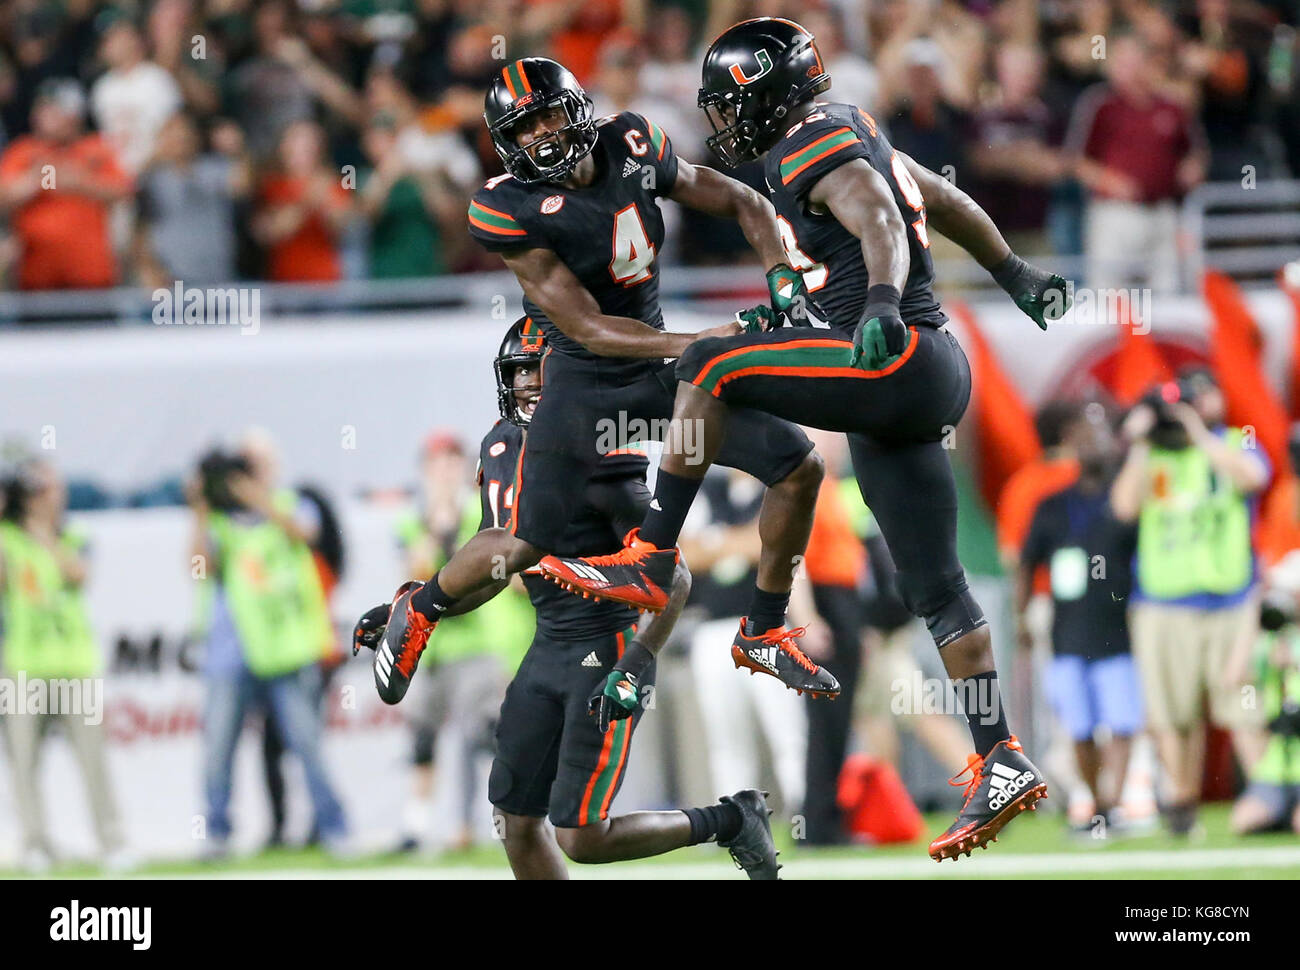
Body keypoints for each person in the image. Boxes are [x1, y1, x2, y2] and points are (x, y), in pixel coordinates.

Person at [544, 18, 1069, 861]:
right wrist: (1013, 272)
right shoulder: (853, 124)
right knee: (935, 587)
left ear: (769, 95)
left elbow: (883, 224)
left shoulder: (805, 143)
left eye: (731, 103)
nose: (724, 121)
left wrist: (884, 304)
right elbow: (938, 196)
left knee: (710, 357)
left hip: (891, 353)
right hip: (919, 376)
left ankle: (655, 554)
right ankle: (999, 752)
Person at [358, 56, 832, 708]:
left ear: (578, 107)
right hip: (581, 386)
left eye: (549, 115)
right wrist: (698, 343)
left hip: (660, 371)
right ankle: (420, 609)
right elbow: (589, 330)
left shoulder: (632, 142)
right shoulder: (509, 208)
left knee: (798, 467)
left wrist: (783, 273)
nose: (542, 136)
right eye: (523, 130)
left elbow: (744, 200)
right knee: (524, 542)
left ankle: (765, 628)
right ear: (505, 145)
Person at [358, 320, 781, 879]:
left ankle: (730, 820)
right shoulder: (501, 443)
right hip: (549, 642)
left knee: (582, 836)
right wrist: (412, 613)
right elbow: (491, 570)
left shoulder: (599, 448)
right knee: (514, 819)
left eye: (539, 369)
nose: (530, 383)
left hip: (609, 643)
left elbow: (673, 576)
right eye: (520, 372)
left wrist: (638, 661)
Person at [1111, 369, 1270, 835]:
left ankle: (1267, 797)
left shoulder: (1236, 441)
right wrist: (1140, 442)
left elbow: (1253, 477)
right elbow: (1124, 507)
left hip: (1230, 600)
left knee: (1245, 708)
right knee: (1172, 714)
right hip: (1164, 603)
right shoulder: (1152, 454)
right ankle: (1181, 804)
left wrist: (1198, 433)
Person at [189, 429, 349, 858]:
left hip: (285, 646)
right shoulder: (220, 521)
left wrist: (255, 496)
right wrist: (201, 509)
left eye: (255, 465)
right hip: (230, 649)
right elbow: (199, 568)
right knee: (218, 747)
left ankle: (335, 828)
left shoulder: (290, 505)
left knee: (306, 744)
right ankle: (217, 833)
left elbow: (307, 535)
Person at [392, 431, 531, 851]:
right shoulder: (415, 519)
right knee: (423, 735)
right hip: (434, 645)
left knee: (482, 734)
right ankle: (417, 826)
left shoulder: (482, 509)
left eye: (452, 462)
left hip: (483, 641)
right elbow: (415, 572)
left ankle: (488, 823)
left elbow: (498, 566)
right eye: (437, 464)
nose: (445, 473)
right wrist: (437, 522)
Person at [1015, 403, 1142, 833]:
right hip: (1067, 630)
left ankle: (1114, 802)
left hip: (1119, 627)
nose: (1093, 446)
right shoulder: (1052, 505)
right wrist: (1021, 618)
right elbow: (1025, 562)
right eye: (1084, 438)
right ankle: (1099, 801)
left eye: (1101, 436)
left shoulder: (1124, 498)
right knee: (1080, 725)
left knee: (1122, 721)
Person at [0, 457, 130, 873]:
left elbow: (76, 573)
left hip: (74, 664)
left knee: (94, 762)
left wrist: (39, 530)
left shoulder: (74, 534)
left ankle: (112, 842)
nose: (48, 495)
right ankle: (36, 843)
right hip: (24, 666)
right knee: (24, 763)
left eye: (51, 487)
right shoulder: (7, 538)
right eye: (39, 488)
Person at [0, 78, 132, 290]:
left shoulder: (96, 148)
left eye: (52, 109)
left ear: (74, 114)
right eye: (41, 109)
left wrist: (80, 184)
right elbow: (4, 197)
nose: (42, 116)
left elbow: (123, 190)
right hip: (37, 276)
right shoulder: (23, 151)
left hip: (91, 275)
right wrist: (35, 181)